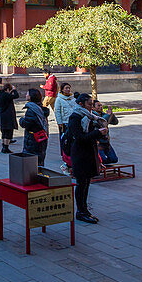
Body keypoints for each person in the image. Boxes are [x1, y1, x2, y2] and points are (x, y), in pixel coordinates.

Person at [65, 94, 105, 224]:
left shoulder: (89, 117)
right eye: (89, 104)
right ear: (81, 104)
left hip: (89, 152)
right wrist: (98, 133)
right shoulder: (75, 117)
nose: (91, 107)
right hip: (80, 154)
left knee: (87, 182)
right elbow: (80, 137)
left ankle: (85, 209)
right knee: (81, 183)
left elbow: (90, 135)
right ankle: (80, 211)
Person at [20, 88, 50, 165]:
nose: (26, 95)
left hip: (33, 138)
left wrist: (21, 120)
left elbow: (27, 123)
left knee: (31, 161)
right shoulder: (40, 108)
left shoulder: (32, 109)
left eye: (27, 94)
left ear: (31, 97)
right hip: (41, 137)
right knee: (39, 159)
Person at [53, 83, 77, 172]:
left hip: (72, 121)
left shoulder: (73, 98)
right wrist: (59, 122)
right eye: (66, 88)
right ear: (62, 89)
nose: (68, 90)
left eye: (69, 88)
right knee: (64, 139)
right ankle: (64, 155)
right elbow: (57, 111)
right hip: (64, 122)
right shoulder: (59, 99)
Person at [91, 99, 119, 166]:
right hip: (98, 142)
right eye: (98, 105)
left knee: (114, 159)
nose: (101, 107)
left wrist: (111, 115)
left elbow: (115, 122)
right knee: (102, 159)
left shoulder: (104, 114)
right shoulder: (92, 115)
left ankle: (100, 164)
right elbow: (100, 123)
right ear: (93, 108)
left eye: (101, 105)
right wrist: (107, 115)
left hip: (106, 141)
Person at [0, 82, 20, 154]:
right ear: (7, 89)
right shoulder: (6, 95)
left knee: (4, 131)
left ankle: (3, 146)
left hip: (2, 114)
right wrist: (14, 90)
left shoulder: (0, 95)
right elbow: (16, 96)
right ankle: (6, 147)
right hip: (8, 115)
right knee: (8, 132)